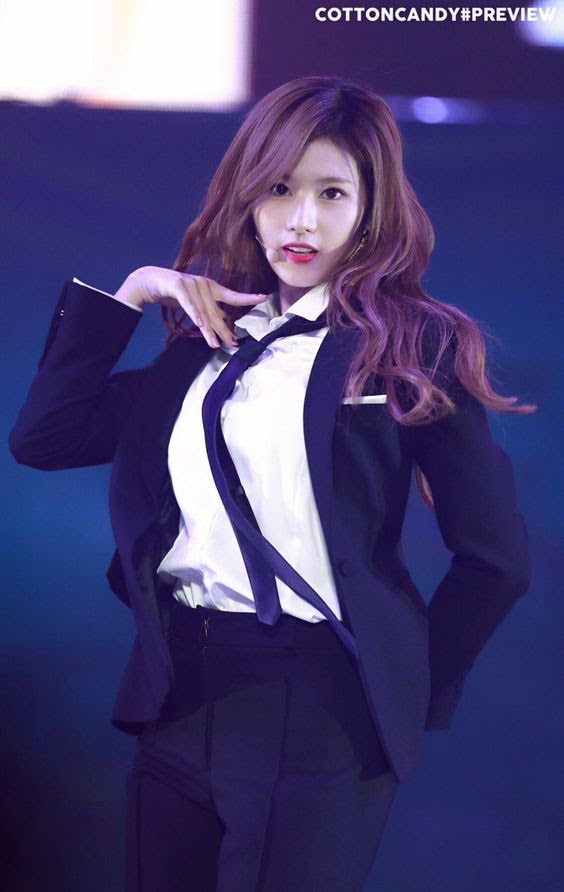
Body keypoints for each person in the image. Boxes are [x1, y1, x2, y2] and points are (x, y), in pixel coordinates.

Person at [9, 75, 535, 891]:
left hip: (320, 705)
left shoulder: (409, 346)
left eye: (332, 193)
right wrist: (134, 291)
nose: (301, 220)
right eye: (281, 188)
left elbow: (496, 559)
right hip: (178, 695)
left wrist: (400, 688)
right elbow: (44, 439)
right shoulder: (204, 339)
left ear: (372, 206)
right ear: (248, 195)